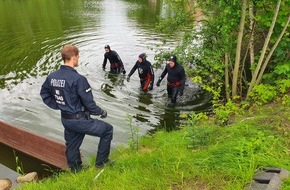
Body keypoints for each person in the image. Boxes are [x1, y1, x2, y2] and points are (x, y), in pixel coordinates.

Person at [40, 44, 113, 172]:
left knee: (72, 145)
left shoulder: (52, 77)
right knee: (107, 130)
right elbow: (89, 104)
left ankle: (75, 170)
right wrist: (101, 112)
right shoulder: (78, 79)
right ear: (73, 57)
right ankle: (101, 164)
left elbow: (44, 94)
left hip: (66, 119)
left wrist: (59, 104)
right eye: (78, 56)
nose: (78, 59)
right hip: (79, 120)